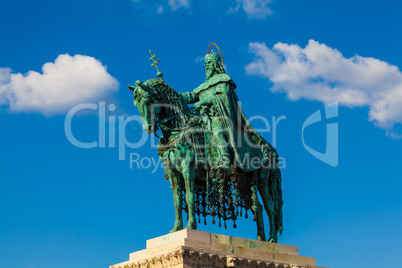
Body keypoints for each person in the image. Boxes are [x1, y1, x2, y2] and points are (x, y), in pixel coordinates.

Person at [181, 49, 272, 175]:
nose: (206, 66)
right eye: (205, 64)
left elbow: (223, 97)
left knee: (217, 128)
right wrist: (171, 94)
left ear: (216, 64)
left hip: (220, 116)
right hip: (203, 117)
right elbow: (190, 96)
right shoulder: (203, 86)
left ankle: (225, 159)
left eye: (209, 63)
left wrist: (204, 102)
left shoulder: (223, 79)